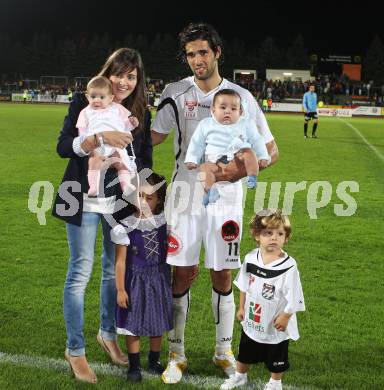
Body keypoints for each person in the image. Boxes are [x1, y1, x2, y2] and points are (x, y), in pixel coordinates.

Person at [151, 22, 279, 384]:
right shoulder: (175, 92)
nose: (197, 60)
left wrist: (233, 174)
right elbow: (153, 137)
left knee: (223, 273)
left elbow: (270, 151)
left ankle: (223, 351)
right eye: (191, 54)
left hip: (227, 200)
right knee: (183, 272)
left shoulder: (241, 96)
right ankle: (177, 355)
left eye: (203, 52)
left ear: (217, 53)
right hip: (184, 197)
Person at [52, 48, 152, 384]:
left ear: (137, 81)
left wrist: (142, 193)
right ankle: (75, 350)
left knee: (113, 272)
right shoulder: (86, 104)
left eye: (131, 76)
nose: (124, 81)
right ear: (107, 73)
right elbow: (63, 145)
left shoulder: (137, 113)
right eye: (119, 74)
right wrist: (98, 138)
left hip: (119, 201)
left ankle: (107, 334)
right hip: (79, 195)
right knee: (81, 271)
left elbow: (146, 159)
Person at [220, 209, 305, 390]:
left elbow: (295, 296)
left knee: (277, 354)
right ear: (257, 235)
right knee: (245, 352)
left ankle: (275, 383)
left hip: (275, 322)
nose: (274, 238)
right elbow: (244, 285)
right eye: (268, 233)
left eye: (279, 234)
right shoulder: (251, 259)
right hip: (253, 318)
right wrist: (241, 307)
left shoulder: (289, 266)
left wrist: (286, 316)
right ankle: (240, 376)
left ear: (286, 238)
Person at [112, 172, 173, 382]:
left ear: (159, 200)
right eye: (140, 196)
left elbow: (175, 248)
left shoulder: (165, 222)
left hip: (159, 278)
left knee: (157, 321)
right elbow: (120, 261)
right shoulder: (125, 227)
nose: (144, 202)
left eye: (150, 197)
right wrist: (120, 289)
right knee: (133, 323)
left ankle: (154, 361)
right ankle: (134, 365)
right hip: (135, 281)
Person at [184, 88, 271, 205]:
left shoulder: (246, 123)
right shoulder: (206, 124)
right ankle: (210, 192)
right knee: (204, 168)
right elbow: (196, 143)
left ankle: (252, 177)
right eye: (223, 107)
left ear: (240, 112)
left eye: (233, 109)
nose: (227, 112)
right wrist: (192, 159)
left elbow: (257, 140)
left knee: (249, 153)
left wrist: (263, 156)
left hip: (238, 156)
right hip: (215, 162)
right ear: (213, 109)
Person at [77, 76, 138, 197]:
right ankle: (93, 187)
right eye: (93, 96)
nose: (97, 100)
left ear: (111, 98)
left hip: (115, 145)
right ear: (87, 96)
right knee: (94, 161)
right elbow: (82, 129)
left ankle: (125, 185)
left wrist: (132, 123)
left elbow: (125, 126)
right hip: (97, 144)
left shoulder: (118, 109)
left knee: (121, 163)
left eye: (102, 97)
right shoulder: (85, 112)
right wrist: (85, 142)